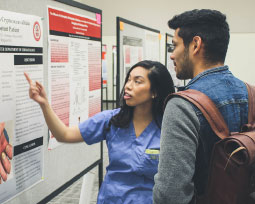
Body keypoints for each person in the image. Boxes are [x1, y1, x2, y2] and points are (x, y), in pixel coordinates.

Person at [24, 60, 175, 203]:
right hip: (111, 199)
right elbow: (64, 135)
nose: (128, 86)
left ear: (154, 92)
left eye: (137, 81)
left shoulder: (168, 128)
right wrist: (44, 104)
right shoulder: (112, 120)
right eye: (128, 79)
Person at [153, 9, 249, 204]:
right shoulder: (252, 93)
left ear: (195, 44)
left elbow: (171, 195)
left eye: (175, 46)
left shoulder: (181, 106)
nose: (172, 55)